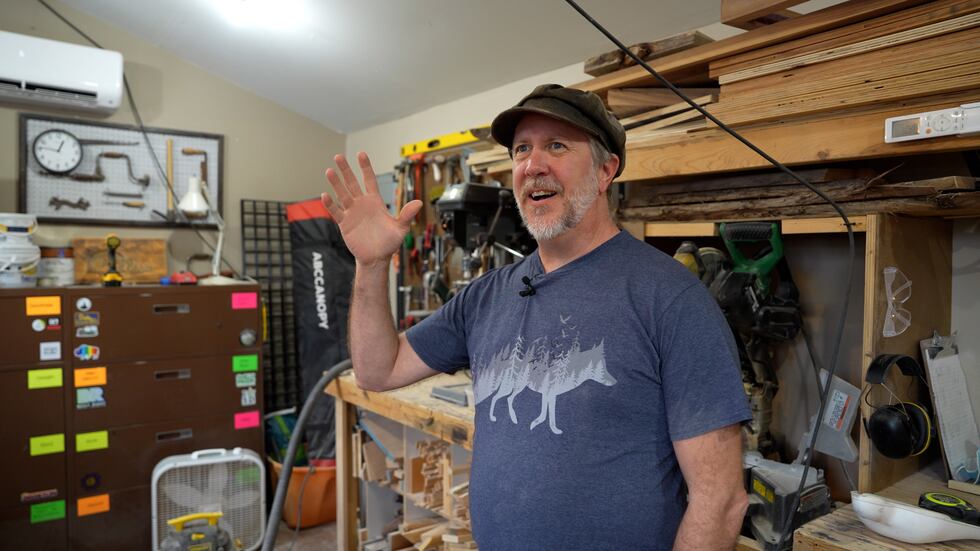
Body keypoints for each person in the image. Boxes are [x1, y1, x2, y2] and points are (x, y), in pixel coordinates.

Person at [321, 84, 751, 550]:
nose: (533, 164)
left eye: (557, 145)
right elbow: (376, 369)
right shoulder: (485, 296)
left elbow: (721, 499)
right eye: (522, 149)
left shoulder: (669, 298)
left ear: (607, 170)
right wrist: (371, 264)